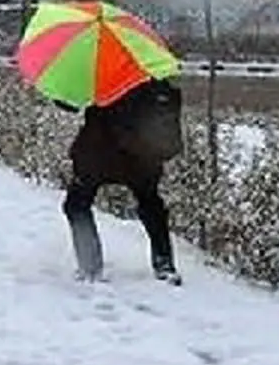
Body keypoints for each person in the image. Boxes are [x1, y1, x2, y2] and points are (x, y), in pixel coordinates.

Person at [58, 78, 184, 285]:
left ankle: (90, 267)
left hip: (98, 157)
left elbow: (70, 104)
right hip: (143, 159)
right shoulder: (155, 81)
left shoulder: (102, 77)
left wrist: (59, 90)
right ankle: (164, 265)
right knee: (151, 204)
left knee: (76, 205)